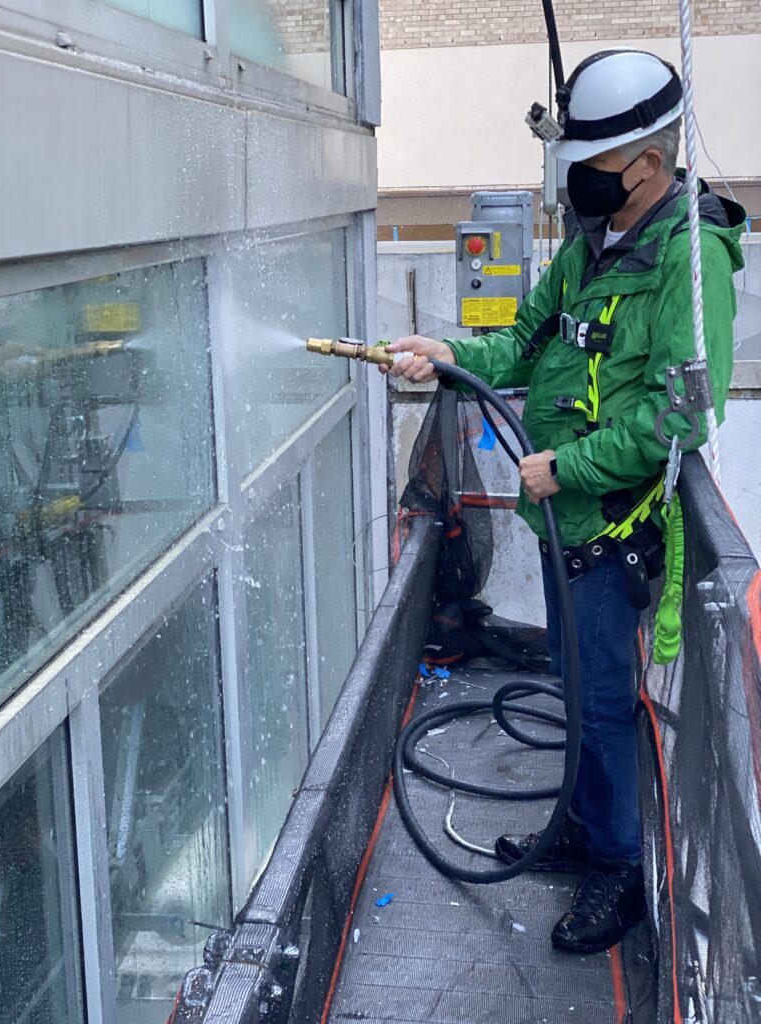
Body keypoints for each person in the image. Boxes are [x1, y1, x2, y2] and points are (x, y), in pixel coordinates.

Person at [383, 49, 745, 954]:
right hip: (559, 526)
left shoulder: (688, 261)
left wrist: (569, 469)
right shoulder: (596, 244)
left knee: (603, 702)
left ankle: (620, 873)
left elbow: (682, 416)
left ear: (647, 167)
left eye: (589, 166)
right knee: (578, 694)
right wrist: (449, 355)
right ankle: (585, 836)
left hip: (603, 531)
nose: (574, 183)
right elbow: (520, 344)